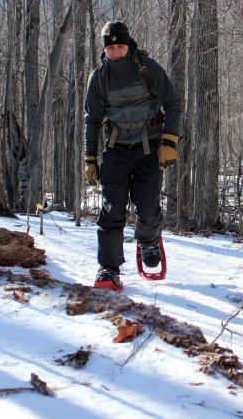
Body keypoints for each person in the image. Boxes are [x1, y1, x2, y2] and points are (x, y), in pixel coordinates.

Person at [83, 21, 181, 291]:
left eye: (120, 46)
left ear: (128, 45)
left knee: (148, 206)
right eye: (111, 48)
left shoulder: (147, 69)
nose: (116, 51)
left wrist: (170, 141)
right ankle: (109, 268)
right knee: (112, 208)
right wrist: (89, 158)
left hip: (149, 147)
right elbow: (92, 119)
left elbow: (172, 103)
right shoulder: (99, 78)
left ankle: (149, 241)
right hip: (116, 150)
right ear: (105, 50)